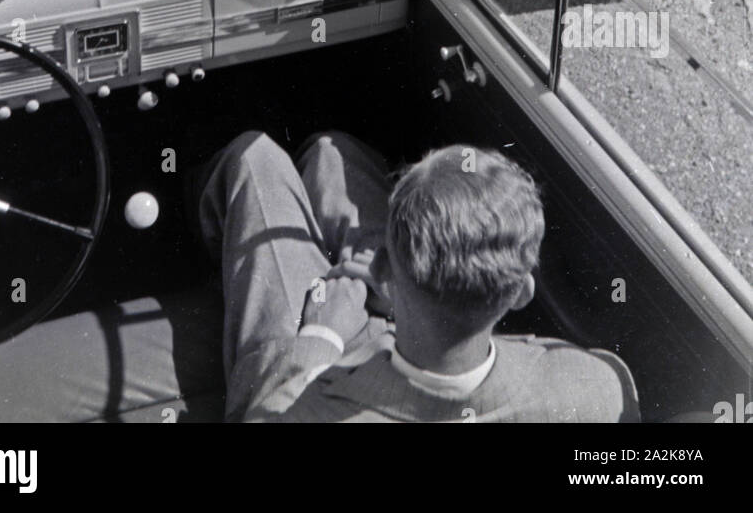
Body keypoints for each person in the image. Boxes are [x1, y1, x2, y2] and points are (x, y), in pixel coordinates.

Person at [198, 130, 640, 423]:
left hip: (319, 366)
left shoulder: (301, 413)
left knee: (255, 157)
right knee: (334, 155)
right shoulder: (599, 388)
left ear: (384, 269)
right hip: (404, 329)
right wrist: (425, 305)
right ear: (521, 293)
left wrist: (320, 338)